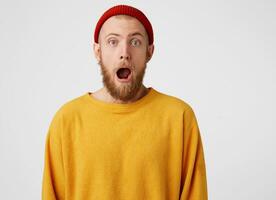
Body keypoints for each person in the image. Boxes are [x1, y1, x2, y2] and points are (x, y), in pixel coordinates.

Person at [42, 4, 208, 200]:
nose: (124, 53)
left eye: (135, 42)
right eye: (113, 42)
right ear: (97, 51)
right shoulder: (67, 120)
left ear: (149, 51)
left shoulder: (178, 117)